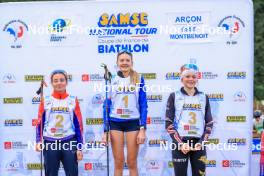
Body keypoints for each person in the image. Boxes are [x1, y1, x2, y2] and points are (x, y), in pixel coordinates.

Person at [102, 50, 148, 176]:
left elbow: (143, 104)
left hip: (133, 122)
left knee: (132, 162)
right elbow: (106, 105)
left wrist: (143, 128)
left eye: (127, 60)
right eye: (121, 60)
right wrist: (105, 130)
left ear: (132, 62)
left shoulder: (138, 78)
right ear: (117, 63)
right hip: (115, 122)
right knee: (118, 162)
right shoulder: (111, 79)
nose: (124, 62)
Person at [165, 63, 213, 176]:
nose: (191, 79)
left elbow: (209, 123)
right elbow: (168, 123)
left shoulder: (203, 97)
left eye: (193, 76)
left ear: (197, 79)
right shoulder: (174, 96)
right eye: (187, 76)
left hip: (199, 143)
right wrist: (180, 144)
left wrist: (202, 142)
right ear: (182, 79)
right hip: (180, 143)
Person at [35, 70, 84, 176]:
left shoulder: (72, 100)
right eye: (55, 80)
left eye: (62, 80)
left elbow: (78, 125)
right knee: (51, 173)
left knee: (72, 173)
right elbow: (40, 122)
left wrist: (79, 147)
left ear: (66, 82)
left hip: (69, 141)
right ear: (52, 83)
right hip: (50, 141)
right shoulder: (46, 100)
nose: (59, 83)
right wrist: (38, 140)